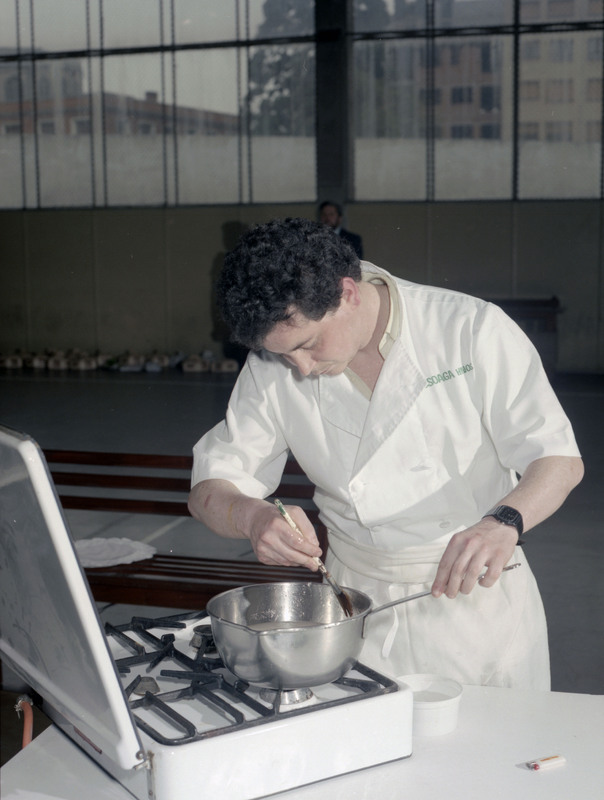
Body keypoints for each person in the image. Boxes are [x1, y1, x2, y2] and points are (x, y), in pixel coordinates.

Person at [188, 217, 583, 689]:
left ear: (348, 293)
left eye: (308, 345)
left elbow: (558, 459)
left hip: (476, 595)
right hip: (356, 603)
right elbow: (210, 489)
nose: (301, 368)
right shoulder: (273, 362)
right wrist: (252, 517)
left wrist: (505, 522)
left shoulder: (468, 328)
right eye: (284, 355)